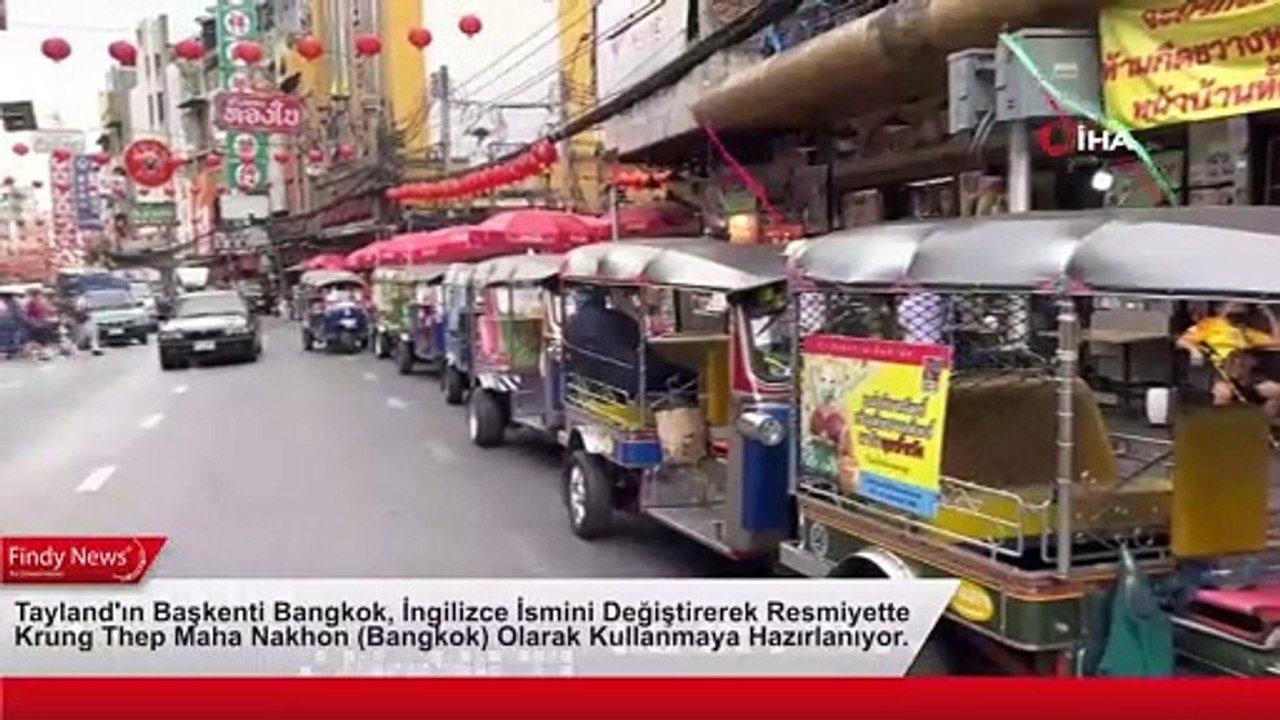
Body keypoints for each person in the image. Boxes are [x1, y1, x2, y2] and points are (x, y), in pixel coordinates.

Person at [563, 288, 698, 398]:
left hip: (596, 381)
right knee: (688, 376)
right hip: (632, 377)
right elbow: (642, 348)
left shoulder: (571, 325)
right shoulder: (619, 318)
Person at [1177, 301, 1280, 417]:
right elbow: (1182, 341)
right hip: (1219, 370)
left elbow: (1276, 342)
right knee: (1223, 393)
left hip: (1245, 372)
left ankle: (1261, 426)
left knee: (1277, 392)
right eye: (1234, 305)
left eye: (1242, 307)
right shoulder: (1208, 325)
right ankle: (1219, 428)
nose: (1239, 309)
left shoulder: (1245, 330)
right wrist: (1194, 350)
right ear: (1220, 309)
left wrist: (1269, 315)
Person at [23, 289, 58, 360]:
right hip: (39, 323)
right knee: (37, 340)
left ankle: (37, 353)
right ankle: (37, 353)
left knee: (37, 340)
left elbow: (26, 313)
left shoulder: (35, 302)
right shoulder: (36, 302)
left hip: (39, 323)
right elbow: (27, 313)